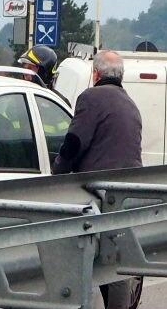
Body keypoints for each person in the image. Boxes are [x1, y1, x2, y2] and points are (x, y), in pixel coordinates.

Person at [52, 50, 143, 309]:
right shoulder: (130, 103)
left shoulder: (91, 98)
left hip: (98, 193)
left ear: (96, 74)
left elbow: (75, 141)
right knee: (114, 261)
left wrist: (57, 171)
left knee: (92, 258)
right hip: (127, 192)